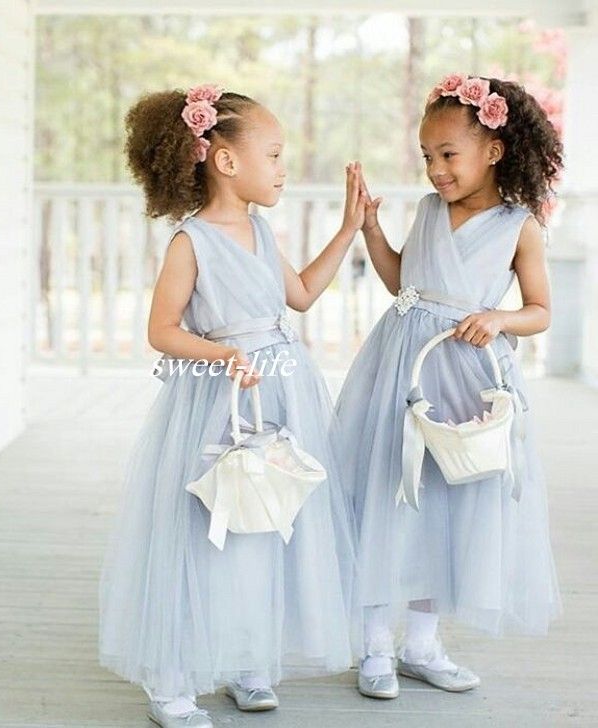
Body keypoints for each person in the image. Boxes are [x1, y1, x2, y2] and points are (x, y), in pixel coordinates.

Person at [99, 84, 363, 727]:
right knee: (205, 526)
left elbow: (297, 295)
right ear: (225, 161)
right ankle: (172, 680)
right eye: (273, 154)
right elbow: (163, 330)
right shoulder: (192, 241)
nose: (282, 168)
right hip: (221, 395)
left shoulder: (260, 228)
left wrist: (350, 229)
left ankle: (247, 655)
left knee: (267, 518)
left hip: (280, 387)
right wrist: (221, 358)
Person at [331, 74, 563, 700]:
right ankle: (374, 646)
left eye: (448, 155)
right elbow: (403, 283)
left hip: (466, 370)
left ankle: (424, 643)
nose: (435, 170)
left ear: (494, 151)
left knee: (448, 500)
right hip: (403, 367)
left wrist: (500, 318)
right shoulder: (430, 210)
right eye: (427, 157)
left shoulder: (520, 225)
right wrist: (371, 230)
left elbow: (539, 309)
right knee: (389, 493)